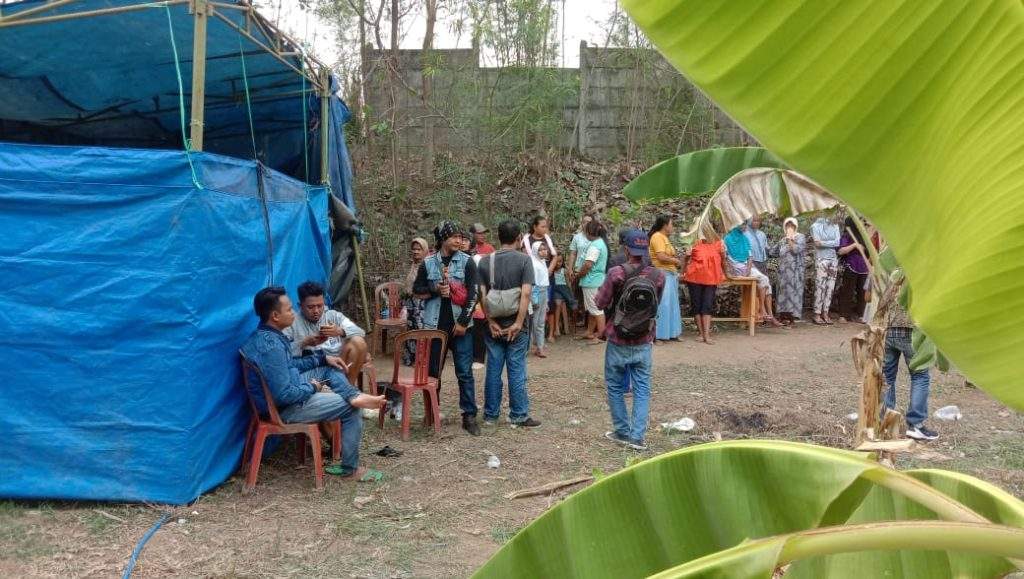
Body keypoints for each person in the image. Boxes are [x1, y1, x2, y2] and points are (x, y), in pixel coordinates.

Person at [241, 287, 385, 481]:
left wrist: (321, 359)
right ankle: (350, 469)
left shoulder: (266, 336)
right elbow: (284, 395)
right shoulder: (272, 346)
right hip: (285, 409)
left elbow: (290, 365)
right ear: (275, 316)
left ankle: (353, 395)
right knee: (352, 410)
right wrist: (312, 388)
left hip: (287, 391)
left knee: (328, 366)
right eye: (289, 310)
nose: (293, 313)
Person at [595, 229, 665, 451]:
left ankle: (622, 431)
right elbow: (655, 306)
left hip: (618, 338)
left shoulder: (616, 273)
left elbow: (599, 303)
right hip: (644, 339)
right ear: (646, 249)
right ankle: (637, 437)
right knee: (642, 388)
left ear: (626, 249)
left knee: (615, 386)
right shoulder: (659, 276)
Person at [412, 221, 481, 436]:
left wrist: (463, 322)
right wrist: (435, 289)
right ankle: (432, 413)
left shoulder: (468, 262)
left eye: (461, 237)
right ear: (443, 238)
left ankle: (469, 416)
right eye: (454, 237)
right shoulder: (428, 263)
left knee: (465, 372)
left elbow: (474, 294)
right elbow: (417, 290)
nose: (459, 241)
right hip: (434, 328)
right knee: (433, 373)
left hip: (461, 328)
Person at [478, 220, 541, 428]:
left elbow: (482, 294)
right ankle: (519, 414)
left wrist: (490, 321)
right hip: (517, 324)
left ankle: (490, 415)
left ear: (498, 237)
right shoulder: (524, 260)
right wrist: (519, 323)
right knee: (516, 368)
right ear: (519, 238)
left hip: (493, 325)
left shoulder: (485, 261)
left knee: (493, 369)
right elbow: (526, 293)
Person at [285, 281, 368, 386]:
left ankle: (348, 387)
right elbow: (281, 354)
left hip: (339, 363)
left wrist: (340, 331)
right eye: (310, 307)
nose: (316, 311)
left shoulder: (333, 316)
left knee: (358, 342)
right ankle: (343, 390)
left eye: (320, 306)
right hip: (312, 370)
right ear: (300, 306)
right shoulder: (291, 323)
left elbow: (360, 332)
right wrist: (303, 343)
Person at [881, 288, 938, 441]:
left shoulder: (895, 274)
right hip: (913, 329)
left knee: (887, 377)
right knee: (920, 376)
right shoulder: (923, 276)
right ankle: (915, 425)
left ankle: (885, 421)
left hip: (890, 327)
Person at [724, 223, 781, 326]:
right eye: (742, 225)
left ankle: (767, 313)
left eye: (745, 224)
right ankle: (764, 311)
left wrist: (748, 270)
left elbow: (750, 257)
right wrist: (729, 271)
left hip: (746, 267)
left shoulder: (744, 238)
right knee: (764, 280)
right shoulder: (727, 239)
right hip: (735, 268)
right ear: (736, 225)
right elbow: (725, 257)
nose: (745, 227)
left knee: (765, 281)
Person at [682, 233, 727, 344]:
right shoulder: (694, 242)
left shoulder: (719, 244)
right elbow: (686, 259)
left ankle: (706, 334)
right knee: (696, 305)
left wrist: (726, 274)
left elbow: (723, 261)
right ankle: (701, 333)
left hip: (711, 279)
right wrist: (683, 269)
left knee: (707, 305)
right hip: (694, 278)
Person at [648, 215, 684, 343]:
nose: (672, 227)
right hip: (662, 273)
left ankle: (672, 333)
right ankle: (658, 335)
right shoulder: (657, 237)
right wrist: (675, 261)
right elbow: (661, 257)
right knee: (663, 304)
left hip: (670, 274)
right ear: (665, 225)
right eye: (671, 224)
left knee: (672, 304)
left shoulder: (664, 238)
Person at [576, 218, 610, 344]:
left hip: (592, 281)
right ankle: (590, 331)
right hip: (597, 280)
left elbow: (588, 264)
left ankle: (601, 335)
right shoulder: (601, 243)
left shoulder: (595, 246)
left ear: (589, 232)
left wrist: (579, 275)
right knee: (592, 308)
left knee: (596, 309)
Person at [402, 237, 429, 367]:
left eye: (419, 249)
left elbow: (431, 286)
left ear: (425, 250)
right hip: (411, 303)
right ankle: (410, 359)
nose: (416, 252)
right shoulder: (413, 265)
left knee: (420, 330)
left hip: (422, 304)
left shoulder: (428, 266)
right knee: (410, 330)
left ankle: (421, 360)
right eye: (414, 249)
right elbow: (408, 286)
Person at [810, 211, 842, 325]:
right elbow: (817, 243)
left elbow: (837, 243)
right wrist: (830, 243)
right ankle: (817, 314)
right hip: (821, 259)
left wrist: (823, 242)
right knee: (820, 286)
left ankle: (825, 313)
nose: (835, 215)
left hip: (833, 259)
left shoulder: (835, 226)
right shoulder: (815, 226)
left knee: (830, 287)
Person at [774, 217, 807, 325]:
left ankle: (792, 317)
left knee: (793, 293)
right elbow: (773, 251)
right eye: (788, 225)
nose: (789, 228)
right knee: (783, 293)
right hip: (783, 272)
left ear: (795, 226)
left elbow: (796, 249)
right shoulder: (782, 240)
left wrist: (790, 239)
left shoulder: (800, 237)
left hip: (795, 272)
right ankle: (782, 315)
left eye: (792, 225)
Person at [837, 216, 869, 323]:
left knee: (863, 291)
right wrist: (855, 245)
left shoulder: (865, 235)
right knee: (847, 290)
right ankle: (843, 315)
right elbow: (841, 251)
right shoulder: (847, 235)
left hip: (865, 266)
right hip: (851, 264)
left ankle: (861, 315)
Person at [530, 241, 553, 358]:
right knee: (536, 322)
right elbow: (533, 283)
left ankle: (538, 345)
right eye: (540, 250)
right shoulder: (534, 264)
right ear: (535, 251)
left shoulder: (542, 262)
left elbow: (545, 282)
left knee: (540, 321)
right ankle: (538, 347)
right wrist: (534, 299)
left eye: (545, 249)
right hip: (537, 292)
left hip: (544, 292)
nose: (544, 251)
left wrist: (547, 300)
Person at [548, 253, 576, 342]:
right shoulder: (551, 271)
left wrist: (570, 292)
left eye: (560, 261)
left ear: (563, 262)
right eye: (556, 261)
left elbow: (568, 284)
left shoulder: (564, 271)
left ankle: (565, 325)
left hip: (564, 290)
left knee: (567, 301)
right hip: (555, 291)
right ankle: (556, 327)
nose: (558, 263)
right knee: (558, 303)